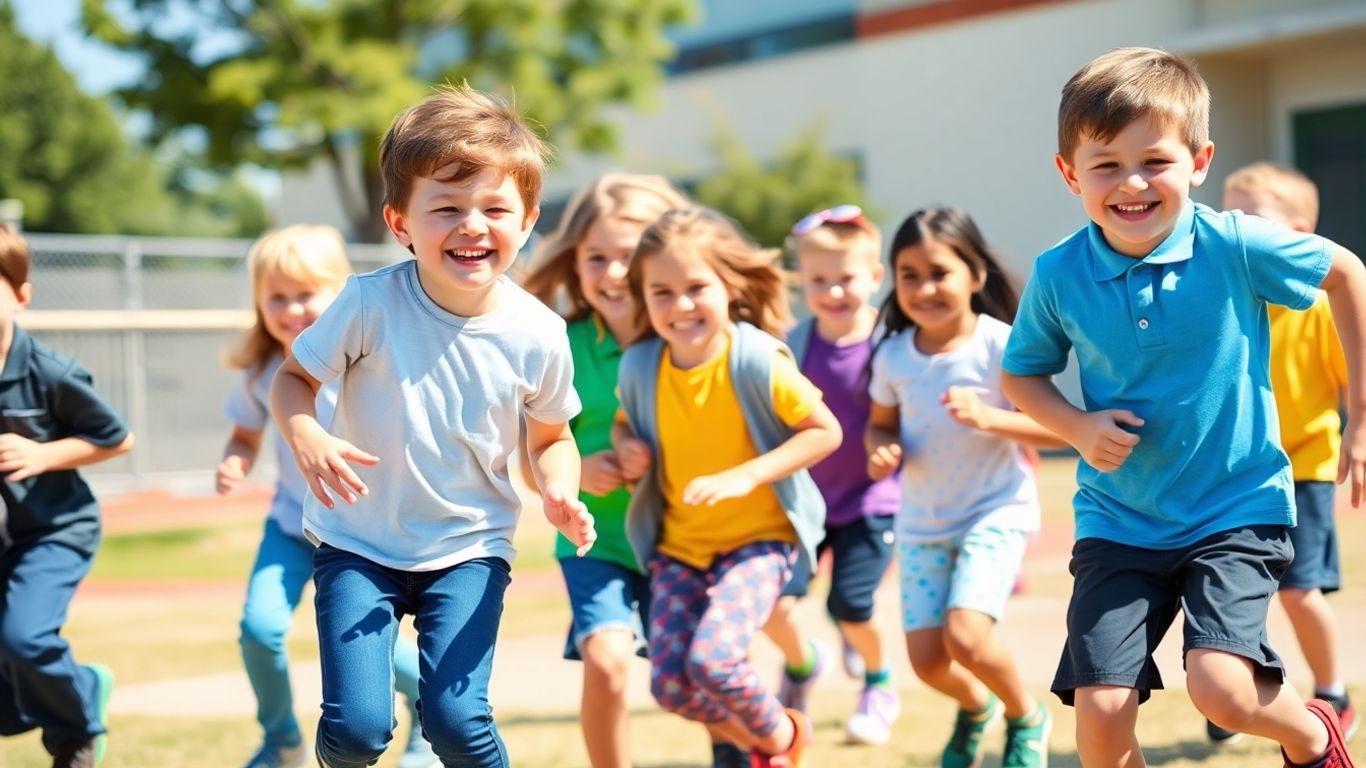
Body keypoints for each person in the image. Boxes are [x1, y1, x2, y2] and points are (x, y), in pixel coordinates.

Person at [1000, 47, 1366, 768]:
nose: (1131, 183)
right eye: (1105, 164)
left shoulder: (1233, 243)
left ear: (1199, 162)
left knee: (1222, 690)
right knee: (1101, 724)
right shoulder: (1057, 273)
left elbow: (1348, 273)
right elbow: (1023, 376)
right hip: (1118, 518)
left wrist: (1362, 418)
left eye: (1154, 161)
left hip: (1235, 508)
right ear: (1069, 173)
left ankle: (1311, 735)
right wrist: (1075, 426)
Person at [270, 84, 596, 768]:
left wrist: (560, 491)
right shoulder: (368, 303)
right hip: (359, 543)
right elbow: (293, 381)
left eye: (495, 209)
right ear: (400, 224)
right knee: (357, 732)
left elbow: (551, 439)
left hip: (471, 547)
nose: (472, 225)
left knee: (455, 721)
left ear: (528, 220)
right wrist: (307, 434)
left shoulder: (539, 332)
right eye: (446, 208)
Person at [612, 207, 842, 768]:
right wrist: (625, 448)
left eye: (696, 287)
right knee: (669, 686)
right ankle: (767, 745)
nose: (681, 305)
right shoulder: (640, 366)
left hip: (757, 544)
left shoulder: (757, 359)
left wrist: (747, 474)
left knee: (714, 662)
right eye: (661, 292)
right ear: (642, 297)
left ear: (730, 286)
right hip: (679, 552)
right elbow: (624, 422)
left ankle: (784, 740)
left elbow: (824, 432)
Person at [216, 225, 436, 768]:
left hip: (362, 536)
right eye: (277, 297)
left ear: (343, 293)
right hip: (293, 528)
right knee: (259, 628)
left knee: (369, 648)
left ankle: (428, 719)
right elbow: (246, 432)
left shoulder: (367, 358)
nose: (292, 309)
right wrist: (235, 460)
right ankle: (282, 738)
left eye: (307, 293)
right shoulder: (263, 370)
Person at [865, 207, 1057, 768]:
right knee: (927, 662)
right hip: (922, 525)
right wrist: (879, 446)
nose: (924, 287)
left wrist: (991, 418)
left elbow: (1054, 428)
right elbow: (879, 423)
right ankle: (977, 708)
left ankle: (1025, 715)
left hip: (995, 512)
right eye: (908, 274)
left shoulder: (1001, 345)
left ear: (975, 275)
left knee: (967, 638)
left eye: (939, 272)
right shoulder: (892, 355)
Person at [521, 173, 690, 768]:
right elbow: (528, 453)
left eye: (630, 256)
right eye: (597, 257)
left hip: (686, 542)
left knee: (700, 673)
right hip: (597, 543)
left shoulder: (689, 343)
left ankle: (746, 750)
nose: (614, 273)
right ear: (575, 263)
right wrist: (570, 475)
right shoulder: (558, 344)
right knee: (608, 663)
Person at [1209, 162, 1356, 744]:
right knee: (1230, 590)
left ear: (1302, 236)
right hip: (1237, 471)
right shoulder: (1221, 300)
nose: (1237, 231)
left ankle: (1333, 691)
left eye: (1254, 220)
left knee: (1299, 590)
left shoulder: (1318, 307)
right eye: (1229, 217)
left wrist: (1360, 429)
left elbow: (1353, 380)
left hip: (1306, 468)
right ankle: (1235, 691)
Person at [0, 223, 134, 768]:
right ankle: (79, 684)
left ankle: (75, 732)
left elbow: (117, 438)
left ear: (21, 296)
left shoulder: (47, 372)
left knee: (24, 639)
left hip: (53, 529)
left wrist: (42, 455)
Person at [781, 204, 902, 745]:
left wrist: (891, 449)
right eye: (819, 281)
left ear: (875, 277)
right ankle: (801, 664)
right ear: (801, 283)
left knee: (852, 602)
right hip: (804, 503)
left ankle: (878, 684)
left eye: (846, 279)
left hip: (872, 500)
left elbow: (904, 414)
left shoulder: (891, 344)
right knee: (776, 603)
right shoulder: (794, 345)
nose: (833, 292)